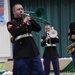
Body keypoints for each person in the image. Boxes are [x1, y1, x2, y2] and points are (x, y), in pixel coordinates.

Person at [6, 4, 44, 75]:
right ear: (14, 12)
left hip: (33, 51)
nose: (21, 11)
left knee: (39, 72)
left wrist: (31, 19)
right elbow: (15, 32)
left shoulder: (28, 21)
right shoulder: (11, 23)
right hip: (21, 53)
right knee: (22, 72)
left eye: (22, 9)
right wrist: (24, 23)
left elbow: (38, 28)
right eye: (18, 9)